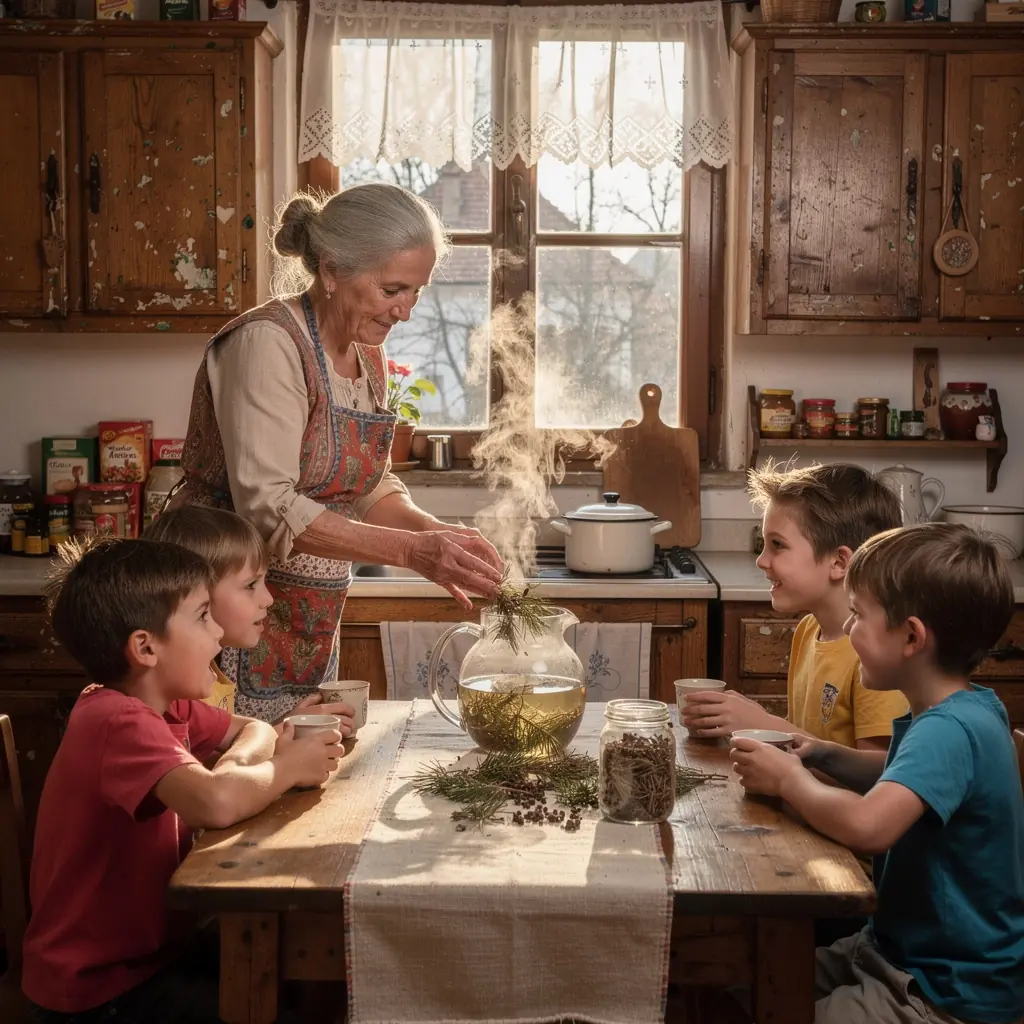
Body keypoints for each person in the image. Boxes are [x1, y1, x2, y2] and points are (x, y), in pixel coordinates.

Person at [171, 183, 503, 721]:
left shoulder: (365, 354)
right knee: (230, 770)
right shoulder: (267, 344)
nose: (407, 312)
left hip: (309, 609)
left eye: (416, 291)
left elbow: (365, 482)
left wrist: (431, 532)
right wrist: (412, 554)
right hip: (216, 601)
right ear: (331, 270)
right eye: (393, 289)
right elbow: (268, 505)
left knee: (299, 764)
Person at [22, 539, 344, 1022]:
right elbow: (215, 804)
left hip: (152, 956)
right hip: (99, 991)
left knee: (301, 979)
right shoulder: (116, 721)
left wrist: (238, 773)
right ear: (146, 647)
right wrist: (288, 768)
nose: (218, 633)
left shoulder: (165, 704)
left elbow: (253, 728)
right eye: (201, 618)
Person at [731, 523, 1024, 1024]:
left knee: (768, 999)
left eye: (859, 615)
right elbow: (899, 781)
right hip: (892, 950)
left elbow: (870, 826)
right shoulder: (963, 710)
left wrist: (788, 780)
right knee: (745, 978)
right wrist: (821, 753)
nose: (848, 629)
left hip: (943, 989)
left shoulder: (948, 731)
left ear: (912, 636)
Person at [684, 463, 908, 751]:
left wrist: (763, 722)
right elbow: (806, 737)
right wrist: (750, 720)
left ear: (839, 562)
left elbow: (877, 777)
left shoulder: (875, 653)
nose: (761, 560)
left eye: (777, 545)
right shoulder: (808, 630)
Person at [146, 505, 355, 734]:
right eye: (250, 585)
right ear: (198, 592)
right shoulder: (180, 688)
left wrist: (288, 725)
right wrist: (282, 732)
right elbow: (211, 767)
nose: (267, 599)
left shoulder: (208, 671)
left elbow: (225, 750)